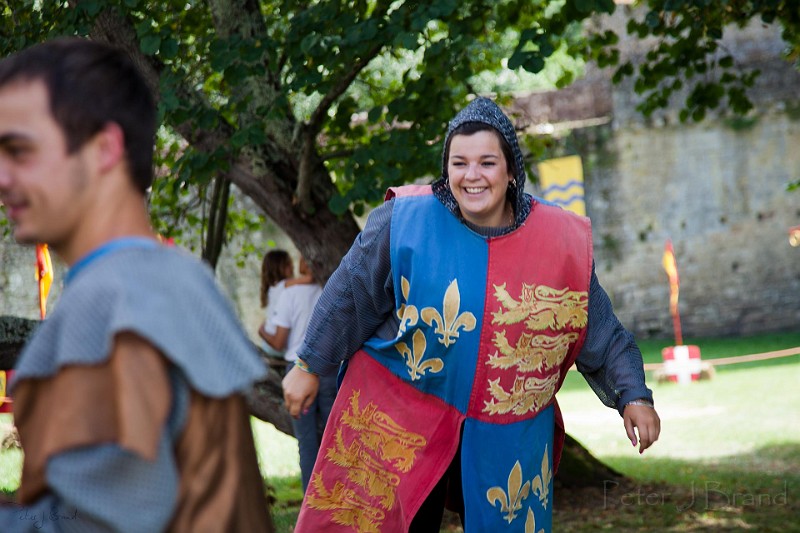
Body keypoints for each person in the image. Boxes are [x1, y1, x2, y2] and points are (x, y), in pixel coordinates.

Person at [282, 96, 661, 532]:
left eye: (486, 162)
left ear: (511, 170)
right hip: (401, 412)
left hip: (507, 432)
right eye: (459, 163)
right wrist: (310, 363)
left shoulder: (560, 242)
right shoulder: (404, 221)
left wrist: (633, 395)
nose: (472, 176)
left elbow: (602, 333)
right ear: (446, 170)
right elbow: (351, 292)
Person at [0, 38, 273, 532]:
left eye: (20, 150)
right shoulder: (170, 277)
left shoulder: (112, 304)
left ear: (104, 148)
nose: (2, 175)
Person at [261, 257, 337, 494]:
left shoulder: (289, 294)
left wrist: (261, 330)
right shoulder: (329, 286)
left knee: (307, 444)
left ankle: (312, 506)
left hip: (298, 371)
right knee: (334, 438)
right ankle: (340, 499)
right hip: (328, 368)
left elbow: (280, 340)